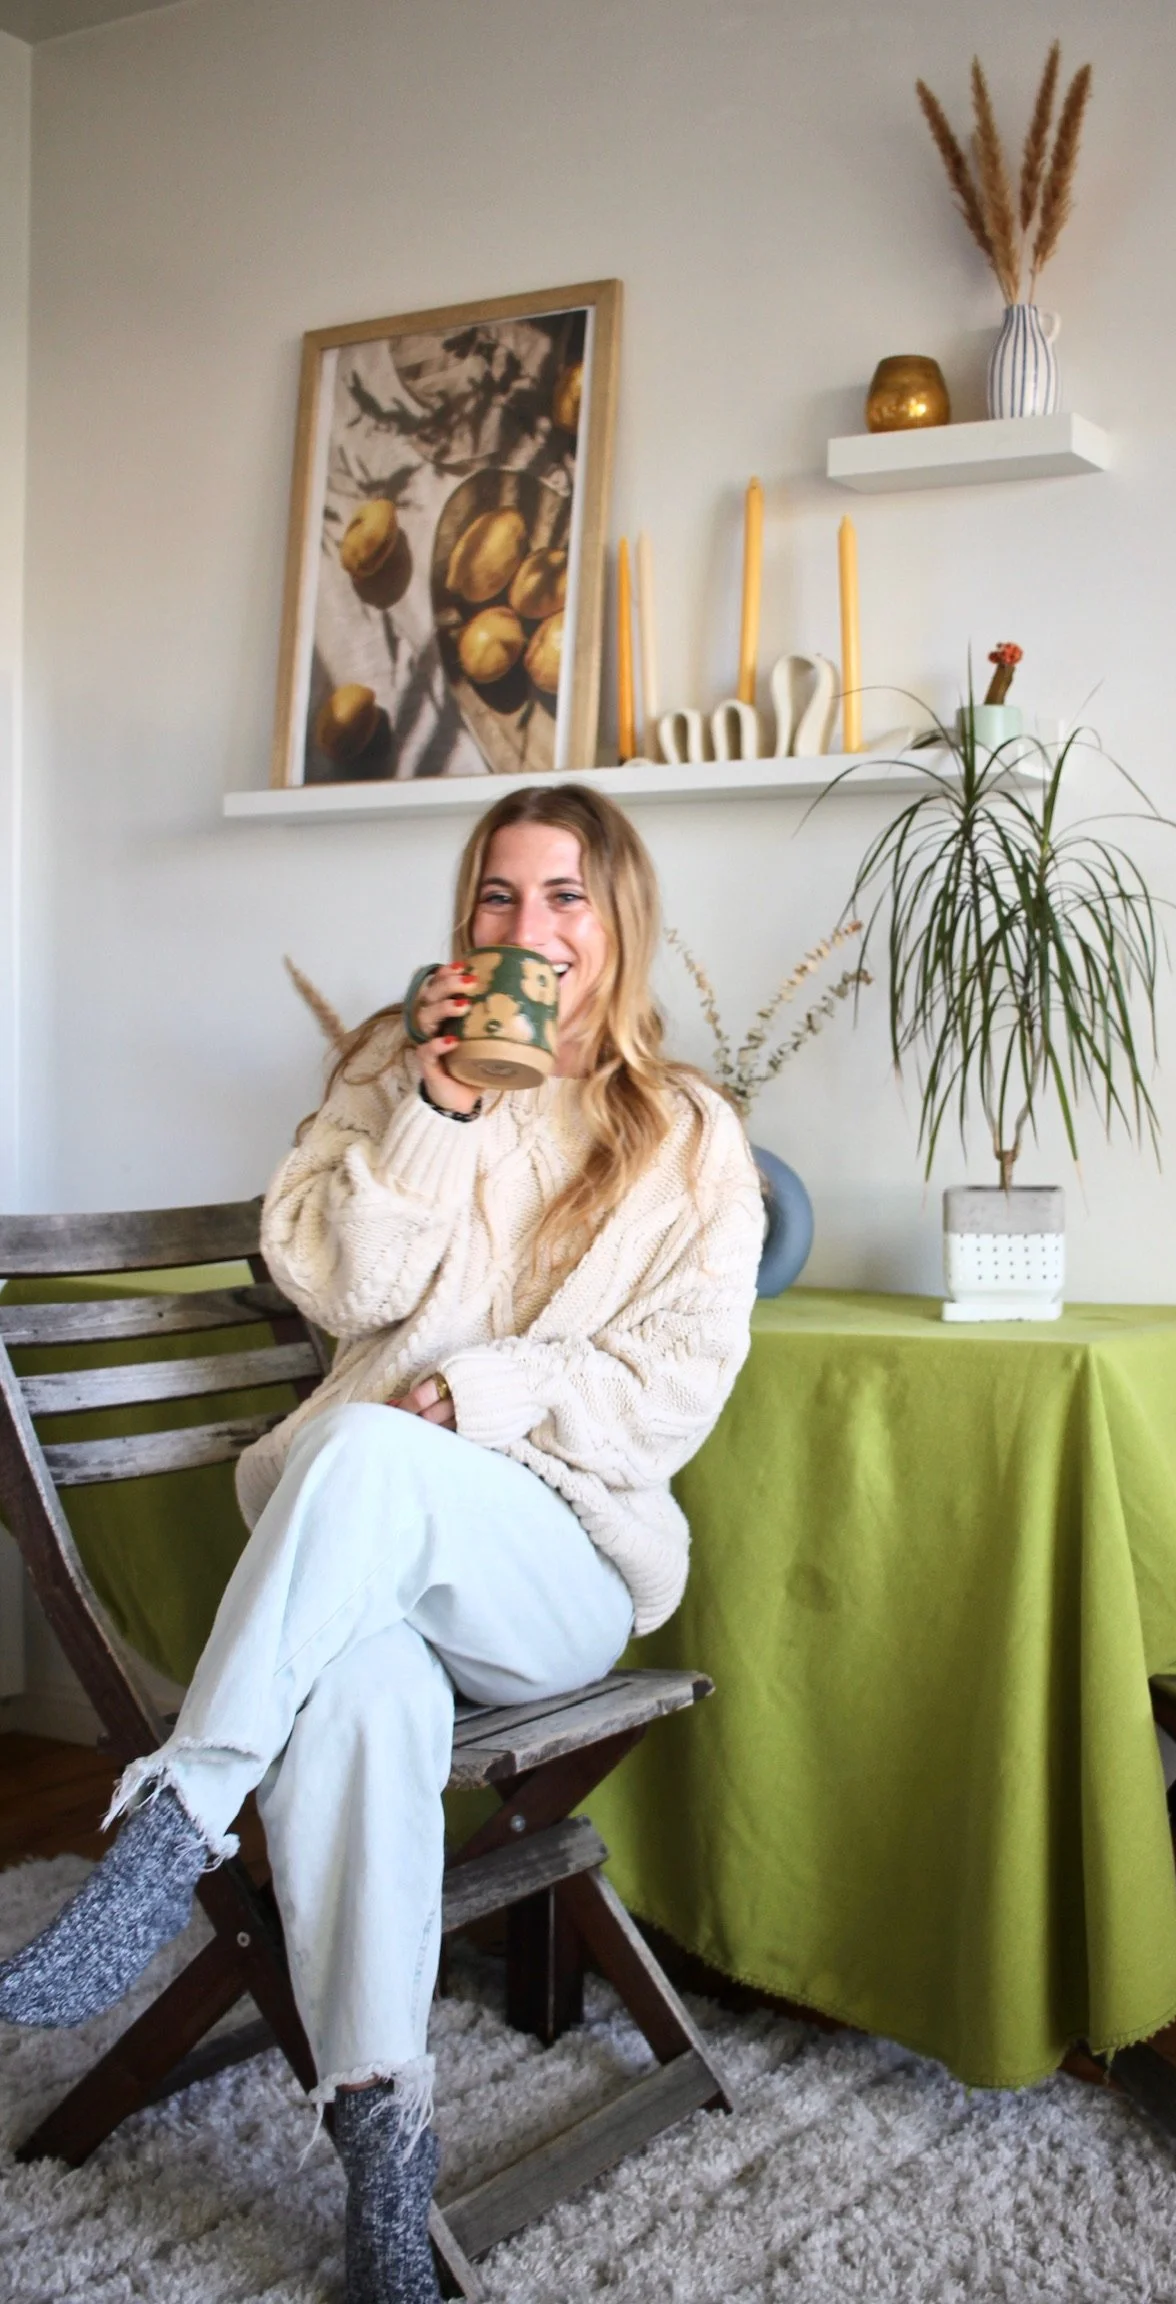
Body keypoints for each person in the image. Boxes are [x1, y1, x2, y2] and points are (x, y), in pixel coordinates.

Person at [0, 784, 764, 2302]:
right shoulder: (383, 1075)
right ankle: (383, 2146)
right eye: (497, 898)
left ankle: (179, 1824)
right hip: (361, 1553)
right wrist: (438, 1110)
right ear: (464, 918)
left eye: (565, 900)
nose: (527, 929)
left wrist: (480, 1392)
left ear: (616, 932)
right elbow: (335, 1290)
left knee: (364, 1441)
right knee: (356, 1694)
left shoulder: (685, 1135)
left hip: (556, 1563)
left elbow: (675, 1384)